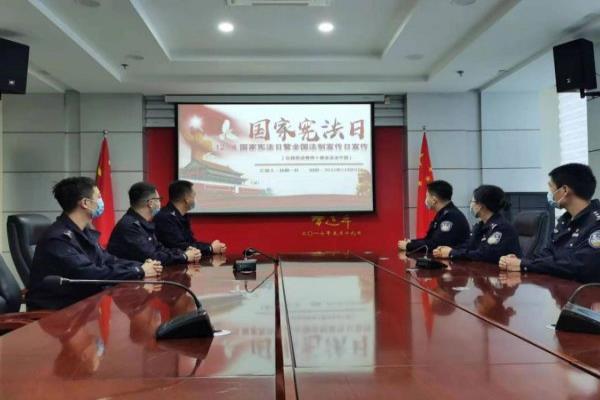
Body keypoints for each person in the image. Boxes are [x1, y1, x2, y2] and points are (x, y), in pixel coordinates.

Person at [26, 177, 163, 310]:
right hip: (58, 313)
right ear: (85, 203)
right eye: (98, 197)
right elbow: (90, 274)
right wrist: (138, 271)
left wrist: (142, 266)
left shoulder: (83, 232)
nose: (101, 201)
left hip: (81, 305)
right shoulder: (58, 239)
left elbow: (108, 260)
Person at [499, 163, 600, 283]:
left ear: (565, 190)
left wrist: (524, 264)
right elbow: (547, 254)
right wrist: (518, 261)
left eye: (551, 187)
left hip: (586, 292)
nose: (550, 193)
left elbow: (578, 266)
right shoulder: (565, 221)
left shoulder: (596, 223)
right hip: (560, 288)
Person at [108, 182, 202, 265]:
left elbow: (159, 248)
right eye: (158, 199)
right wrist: (184, 256)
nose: (160, 203)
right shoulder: (130, 226)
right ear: (151, 203)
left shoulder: (142, 224)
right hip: (128, 278)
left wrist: (183, 252)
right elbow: (152, 256)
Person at [433, 185, 522, 264]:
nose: (471, 205)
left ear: (480, 205)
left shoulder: (501, 228)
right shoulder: (481, 226)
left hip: (503, 275)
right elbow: (470, 246)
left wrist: (451, 253)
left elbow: (485, 255)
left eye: (472, 201)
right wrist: (449, 249)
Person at [154, 180, 227, 255]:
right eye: (194, 196)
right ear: (186, 199)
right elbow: (179, 246)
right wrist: (210, 248)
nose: (195, 199)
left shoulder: (182, 216)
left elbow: (191, 242)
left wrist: (211, 246)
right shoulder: (165, 217)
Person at [398, 180, 470, 253]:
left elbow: (437, 245)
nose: (425, 200)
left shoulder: (451, 216)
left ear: (434, 200)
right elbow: (429, 239)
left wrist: (409, 246)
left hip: (455, 260)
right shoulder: (442, 214)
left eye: (427, 196)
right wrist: (411, 242)